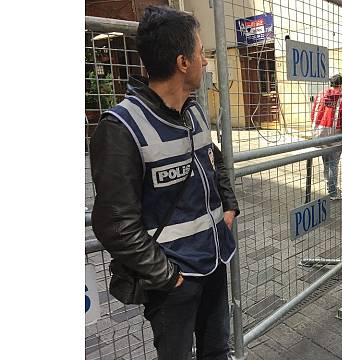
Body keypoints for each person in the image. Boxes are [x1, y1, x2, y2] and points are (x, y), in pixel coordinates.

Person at [90, 6, 239, 360]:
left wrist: (229, 206)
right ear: (182, 62)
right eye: (201, 52)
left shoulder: (194, 110)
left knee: (216, 350)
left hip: (215, 259)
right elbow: (114, 224)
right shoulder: (121, 127)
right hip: (175, 280)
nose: (206, 61)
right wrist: (168, 277)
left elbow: (213, 160)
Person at [311, 74, 342, 200]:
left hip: (321, 133)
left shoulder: (320, 95)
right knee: (333, 164)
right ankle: (333, 192)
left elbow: (313, 114)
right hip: (335, 135)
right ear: (341, 85)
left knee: (326, 162)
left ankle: (329, 187)